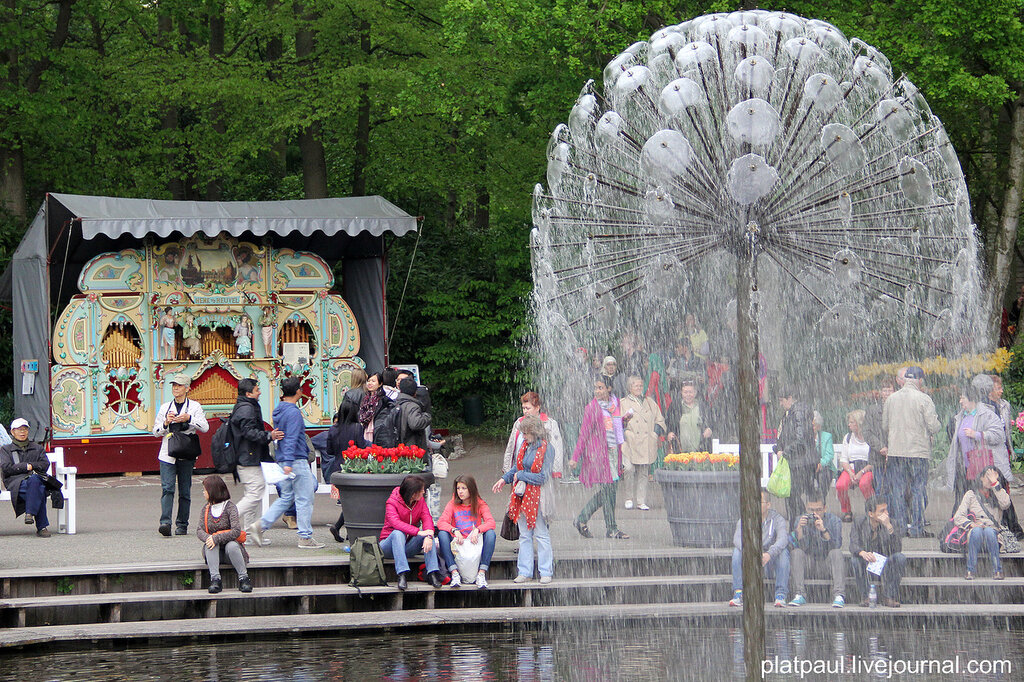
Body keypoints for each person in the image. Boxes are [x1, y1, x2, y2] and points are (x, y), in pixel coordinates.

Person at [247, 377, 324, 549]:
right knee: (305, 498)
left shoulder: (279, 410)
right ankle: (305, 537)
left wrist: (284, 460)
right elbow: (292, 437)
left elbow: (283, 436)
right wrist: (289, 461)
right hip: (296, 460)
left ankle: (259, 526)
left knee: (287, 497)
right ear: (298, 391)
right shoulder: (294, 412)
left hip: (284, 459)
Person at [494, 415, 555, 582]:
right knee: (525, 536)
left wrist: (521, 475)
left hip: (539, 497)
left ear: (534, 432)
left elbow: (542, 477)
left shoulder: (547, 449)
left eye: (526, 434)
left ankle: (546, 572)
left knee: (541, 534)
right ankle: (525, 572)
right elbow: (516, 466)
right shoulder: (525, 446)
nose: (523, 437)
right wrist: (504, 479)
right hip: (522, 496)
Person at [882, 366, 940, 538]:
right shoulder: (924, 398)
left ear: (905, 380)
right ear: (920, 381)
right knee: (918, 490)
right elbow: (934, 427)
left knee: (898, 490)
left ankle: (899, 528)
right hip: (918, 452)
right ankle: (916, 528)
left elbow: (885, 426)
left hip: (896, 452)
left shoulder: (891, 399)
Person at [570, 378, 629, 539]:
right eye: (596, 388)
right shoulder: (592, 408)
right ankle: (611, 528)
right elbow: (584, 434)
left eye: (601, 387)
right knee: (609, 490)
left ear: (609, 389)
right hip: (598, 455)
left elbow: (614, 429)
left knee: (610, 490)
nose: (597, 391)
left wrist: (624, 422)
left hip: (613, 452)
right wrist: (575, 457)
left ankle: (583, 519)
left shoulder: (615, 405)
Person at [152, 374, 209, 536]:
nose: (176, 388)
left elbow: (204, 427)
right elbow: (155, 432)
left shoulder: (195, 407)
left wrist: (189, 418)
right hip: (167, 452)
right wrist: (166, 423)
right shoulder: (165, 407)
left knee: (185, 490)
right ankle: (165, 522)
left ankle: (182, 524)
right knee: (167, 488)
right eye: (174, 385)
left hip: (186, 451)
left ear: (187, 388)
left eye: (179, 385)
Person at [945, 376, 1007, 518]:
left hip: (981, 465)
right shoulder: (960, 417)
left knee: (984, 499)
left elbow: (998, 435)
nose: (960, 401)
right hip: (964, 466)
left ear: (972, 400)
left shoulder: (987, 414)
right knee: (962, 498)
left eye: (963, 398)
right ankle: (957, 528)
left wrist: (978, 434)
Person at [229, 378, 284, 539]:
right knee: (255, 493)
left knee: (252, 494)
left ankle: (247, 533)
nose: (259, 392)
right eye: (257, 390)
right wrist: (269, 435)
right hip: (249, 458)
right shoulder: (247, 409)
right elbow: (249, 432)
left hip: (248, 457)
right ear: (248, 393)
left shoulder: (244, 406)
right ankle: (229, 519)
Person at [380, 474, 442, 590]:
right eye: (421, 490)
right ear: (413, 493)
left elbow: (427, 518)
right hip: (388, 547)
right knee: (398, 533)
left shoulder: (420, 501)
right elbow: (395, 523)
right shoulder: (392, 502)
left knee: (429, 534)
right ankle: (402, 574)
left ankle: (432, 573)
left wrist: (428, 535)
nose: (424, 492)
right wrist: (418, 532)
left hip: (407, 546)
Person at [729, 488, 789, 608]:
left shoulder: (777, 519)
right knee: (737, 552)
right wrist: (750, 552)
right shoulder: (745, 519)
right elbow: (737, 539)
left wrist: (769, 554)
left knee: (783, 552)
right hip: (750, 561)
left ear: (768, 504)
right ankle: (738, 593)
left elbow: (783, 539)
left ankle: (780, 595)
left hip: (770, 562)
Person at [787, 494, 846, 608]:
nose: (815, 513)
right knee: (796, 553)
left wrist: (823, 530)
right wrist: (799, 530)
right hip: (808, 564)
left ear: (825, 508)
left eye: (818, 510)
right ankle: (799, 594)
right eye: (811, 510)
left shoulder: (834, 521)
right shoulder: (800, 520)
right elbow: (798, 546)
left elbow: (836, 545)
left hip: (827, 564)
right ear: (806, 509)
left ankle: (839, 595)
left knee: (837, 553)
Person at [438, 475, 496, 589]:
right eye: (458, 488)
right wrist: (454, 530)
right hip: (458, 542)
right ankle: (454, 572)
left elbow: (491, 522)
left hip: (474, 542)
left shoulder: (480, 504)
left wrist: (478, 530)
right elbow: (441, 522)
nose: (460, 491)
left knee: (490, 534)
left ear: (471, 489)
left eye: (464, 488)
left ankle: (481, 573)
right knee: (442, 534)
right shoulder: (452, 503)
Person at [196, 475, 252, 594]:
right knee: (210, 545)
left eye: (205, 490)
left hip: (231, 552)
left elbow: (236, 530)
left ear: (212, 491)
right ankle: (215, 579)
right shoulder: (206, 509)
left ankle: (244, 578)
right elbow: (199, 530)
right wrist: (210, 538)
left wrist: (216, 538)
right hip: (213, 553)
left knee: (231, 545)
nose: (203, 493)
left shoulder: (230, 507)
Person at [955, 466, 1011, 580]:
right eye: (988, 477)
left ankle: (997, 570)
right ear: (981, 478)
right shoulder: (971, 494)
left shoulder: (998, 493)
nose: (990, 480)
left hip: (993, 533)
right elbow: (958, 517)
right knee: (976, 531)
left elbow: (1006, 504)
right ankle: (970, 570)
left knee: (990, 532)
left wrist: (996, 485)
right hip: (975, 533)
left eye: (994, 477)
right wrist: (972, 524)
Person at [849, 496, 905, 607]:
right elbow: (853, 544)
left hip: (885, 563)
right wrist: (862, 553)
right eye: (881, 511)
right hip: (867, 562)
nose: (886, 514)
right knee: (855, 560)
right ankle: (866, 597)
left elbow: (897, 548)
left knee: (900, 557)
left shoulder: (892, 523)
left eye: (886, 510)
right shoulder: (859, 522)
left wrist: (889, 527)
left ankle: (889, 596)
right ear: (871, 514)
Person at [0, 418, 52, 537]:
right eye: (19, 429)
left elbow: (45, 464)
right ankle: (42, 526)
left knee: (36, 482)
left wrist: (31, 466)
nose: (22, 432)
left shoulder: (37, 448)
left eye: (25, 429)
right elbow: (7, 468)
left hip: (35, 480)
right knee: (39, 488)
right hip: (16, 482)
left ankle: (30, 513)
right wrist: (25, 467)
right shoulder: (6, 450)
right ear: (13, 432)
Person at [621, 375, 666, 511]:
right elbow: (618, 422)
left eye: (641, 385)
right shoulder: (623, 403)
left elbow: (660, 420)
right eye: (636, 386)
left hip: (646, 441)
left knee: (643, 472)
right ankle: (629, 497)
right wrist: (625, 432)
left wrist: (654, 434)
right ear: (630, 387)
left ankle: (641, 500)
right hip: (630, 441)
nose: (639, 388)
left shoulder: (650, 402)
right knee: (628, 469)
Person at [774, 386, 815, 522]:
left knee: (793, 497)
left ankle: (799, 526)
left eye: (782, 400)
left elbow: (800, 438)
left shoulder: (797, 413)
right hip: (799, 460)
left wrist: (784, 451)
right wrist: (779, 448)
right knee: (792, 498)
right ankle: (798, 527)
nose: (781, 404)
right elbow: (786, 436)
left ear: (790, 398)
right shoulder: (792, 413)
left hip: (800, 462)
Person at [502, 392, 565, 481]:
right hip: (519, 468)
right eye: (523, 408)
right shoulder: (519, 422)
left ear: (537, 407)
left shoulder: (550, 424)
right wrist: (507, 469)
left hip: (540, 471)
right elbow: (511, 446)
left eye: (528, 408)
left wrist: (556, 471)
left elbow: (557, 447)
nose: (525, 411)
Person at [835, 410, 875, 522]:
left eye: (852, 422)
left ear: (859, 423)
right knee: (840, 485)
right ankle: (846, 511)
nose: (849, 425)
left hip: (867, 468)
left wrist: (861, 472)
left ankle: (872, 509)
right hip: (851, 468)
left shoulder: (870, 438)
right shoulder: (848, 437)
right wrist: (850, 472)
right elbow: (844, 459)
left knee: (864, 483)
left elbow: (874, 461)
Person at [861, 377, 894, 497]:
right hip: (878, 457)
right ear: (880, 393)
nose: (887, 393)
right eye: (885, 391)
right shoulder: (872, 410)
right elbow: (867, 432)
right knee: (881, 488)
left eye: (890, 390)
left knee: (896, 489)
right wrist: (881, 447)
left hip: (896, 456)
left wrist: (892, 448)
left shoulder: (898, 409)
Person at [986, 375, 1020, 487]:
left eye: (1001, 388)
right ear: (990, 391)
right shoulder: (983, 407)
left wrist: (1010, 449)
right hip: (989, 452)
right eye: (998, 388)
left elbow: (1008, 430)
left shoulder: (1005, 405)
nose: (1002, 391)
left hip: (1004, 449)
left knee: (1004, 483)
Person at [666, 381, 713, 454]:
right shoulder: (675, 406)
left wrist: (710, 429)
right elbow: (668, 422)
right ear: (681, 393)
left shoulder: (703, 406)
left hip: (701, 452)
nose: (688, 395)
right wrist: (669, 433)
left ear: (695, 393)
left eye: (690, 392)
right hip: (680, 453)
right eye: (685, 392)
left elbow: (713, 422)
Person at [396, 377, 432, 454]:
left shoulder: (396, 403)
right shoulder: (412, 406)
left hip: (398, 443)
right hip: (411, 446)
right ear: (415, 392)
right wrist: (426, 417)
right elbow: (415, 423)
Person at [357, 372, 390, 443]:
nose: (370, 383)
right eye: (368, 381)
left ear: (380, 384)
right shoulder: (365, 399)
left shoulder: (384, 400)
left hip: (378, 431)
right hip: (365, 429)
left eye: (373, 381)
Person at [812, 411, 837, 502]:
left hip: (825, 467)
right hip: (809, 467)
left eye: (814, 425)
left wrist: (820, 464)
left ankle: (821, 502)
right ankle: (811, 501)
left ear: (818, 426)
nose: (811, 428)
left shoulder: (826, 436)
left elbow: (829, 455)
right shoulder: (804, 437)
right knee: (805, 477)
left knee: (824, 476)